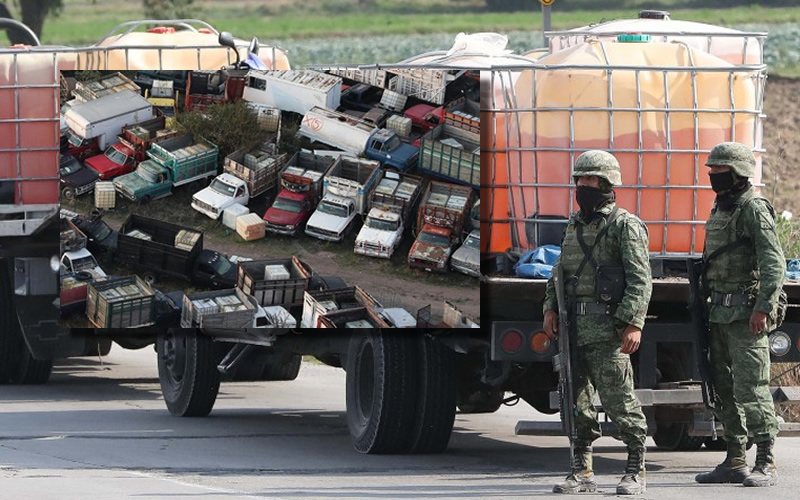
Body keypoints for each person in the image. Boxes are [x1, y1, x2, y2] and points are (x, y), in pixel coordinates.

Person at [543, 150, 652, 495]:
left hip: (608, 330)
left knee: (620, 400)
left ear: (607, 184)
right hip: (574, 330)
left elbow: (640, 280)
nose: (583, 186)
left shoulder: (626, 226)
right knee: (577, 403)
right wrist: (549, 308)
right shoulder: (573, 226)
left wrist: (633, 323)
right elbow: (559, 272)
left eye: (590, 180)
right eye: (580, 180)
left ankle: (635, 469)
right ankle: (582, 470)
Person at [695, 142, 785, 487]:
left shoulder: (753, 208)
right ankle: (735, 458)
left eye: (720, 172)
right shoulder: (721, 207)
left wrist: (763, 307)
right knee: (723, 388)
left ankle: (766, 459)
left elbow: (773, 263)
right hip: (717, 313)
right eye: (712, 171)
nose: (713, 177)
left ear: (737, 173)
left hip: (746, 315)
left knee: (752, 387)